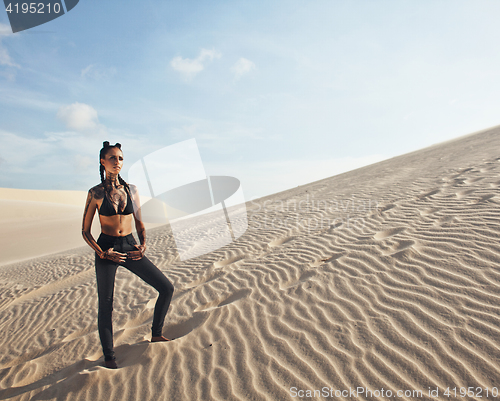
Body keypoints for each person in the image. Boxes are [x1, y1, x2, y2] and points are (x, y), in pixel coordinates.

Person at [82, 141, 174, 369]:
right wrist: (103, 253)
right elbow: (85, 231)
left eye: (120, 158)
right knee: (106, 304)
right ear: (102, 162)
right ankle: (109, 356)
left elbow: (140, 222)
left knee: (166, 287)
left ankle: (156, 333)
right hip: (107, 248)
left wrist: (143, 244)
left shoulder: (131, 190)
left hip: (130, 245)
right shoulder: (95, 193)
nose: (117, 162)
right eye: (112, 158)